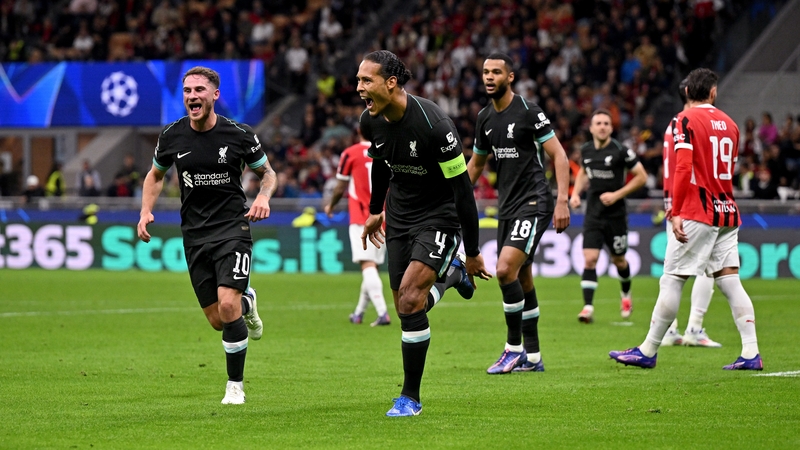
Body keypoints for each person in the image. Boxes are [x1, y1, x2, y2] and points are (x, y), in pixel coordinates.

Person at [358, 50, 492, 417]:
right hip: (400, 215)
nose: (359, 88)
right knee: (404, 302)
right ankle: (451, 276)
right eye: (358, 80)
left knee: (411, 299)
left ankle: (410, 397)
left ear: (391, 83)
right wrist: (374, 211)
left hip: (439, 214)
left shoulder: (434, 125)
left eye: (366, 81)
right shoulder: (370, 121)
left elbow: (463, 191)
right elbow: (382, 167)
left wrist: (474, 248)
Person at [137, 66, 278, 404]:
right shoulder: (172, 135)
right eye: (187, 91)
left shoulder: (239, 134)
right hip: (195, 234)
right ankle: (248, 301)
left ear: (215, 95)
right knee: (219, 319)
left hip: (232, 228)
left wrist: (262, 195)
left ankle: (235, 386)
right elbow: (155, 176)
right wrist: (145, 211)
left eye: (199, 90)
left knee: (227, 306)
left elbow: (268, 173)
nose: (192, 96)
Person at [610, 68, 763, 371]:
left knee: (672, 278)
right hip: (727, 211)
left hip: (697, 210)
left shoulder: (684, 120)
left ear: (687, 92)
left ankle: (648, 349)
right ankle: (750, 353)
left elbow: (682, 168)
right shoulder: (732, 125)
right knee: (730, 281)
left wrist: (676, 210)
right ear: (713, 92)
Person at [467, 53, 571, 375]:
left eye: (496, 72)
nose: (489, 77)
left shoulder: (528, 112)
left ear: (509, 77)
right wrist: (450, 196)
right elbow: (476, 165)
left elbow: (560, 156)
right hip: (507, 207)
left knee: (504, 270)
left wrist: (562, 201)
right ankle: (534, 357)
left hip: (534, 201)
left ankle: (512, 350)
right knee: (522, 277)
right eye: (485, 72)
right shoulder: (485, 118)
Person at [569, 109, 647, 323]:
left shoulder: (621, 151)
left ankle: (626, 295)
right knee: (590, 259)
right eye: (598, 123)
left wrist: (617, 194)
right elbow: (584, 172)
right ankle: (587, 307)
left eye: (606, 123)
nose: (602, 126)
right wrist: (576, 193)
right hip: (593, 213)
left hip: (616, 216)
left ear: (611, 128)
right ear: (592, 128)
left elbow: (642, 176)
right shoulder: (585, 150)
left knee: (619, 261)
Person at [660, 78, 720, 347]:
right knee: (697, 271)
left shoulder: (675, 122)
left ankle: (675, 329)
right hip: (691, 205)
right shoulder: (689, 123)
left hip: (677, 202)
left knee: (680, 271)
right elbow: (683, 168)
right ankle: (690, 328)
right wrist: (676, 208)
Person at [325, 125, 391, 327]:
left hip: (361, 217)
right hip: (384, 217)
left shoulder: (350, 153)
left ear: (358, 132)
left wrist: (331, 205)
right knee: (371, 266)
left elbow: (340, 186)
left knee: (367, 265)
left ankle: (382, 313)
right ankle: (359, 313)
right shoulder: (387, 151)